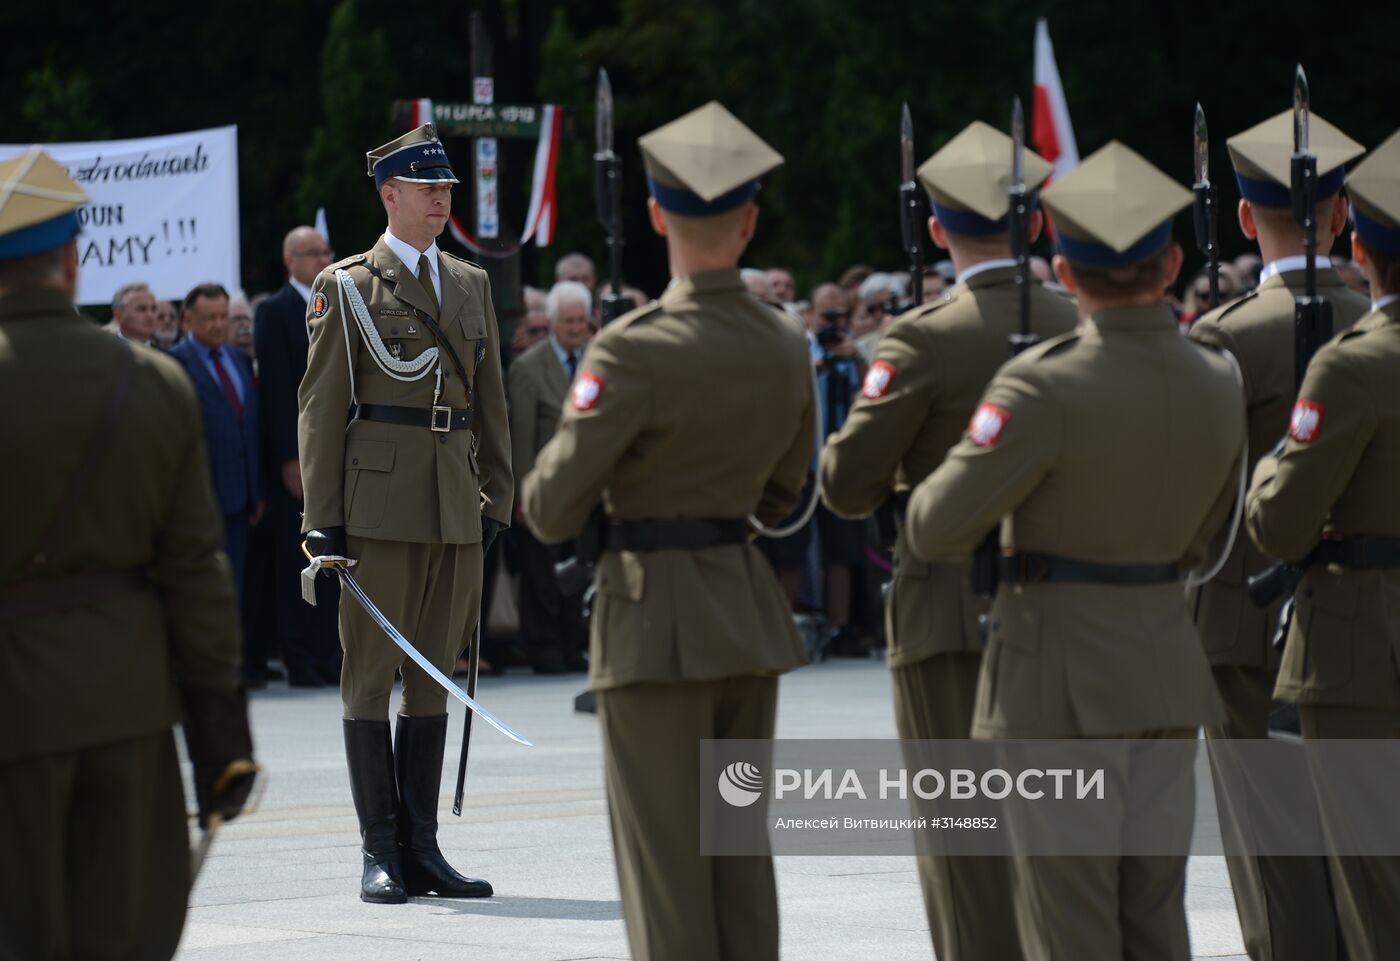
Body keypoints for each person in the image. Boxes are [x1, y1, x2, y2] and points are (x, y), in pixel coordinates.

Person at [904, 141, 1245, 960]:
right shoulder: (1217, 374)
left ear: (1062, 266)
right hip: (1164, 663)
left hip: (1055, 684)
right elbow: (1207, 537)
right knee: (1156, 916)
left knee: (1068, 922)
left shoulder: (1042, 384)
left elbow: (933, 525)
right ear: (1170, 263)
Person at [522, 101, 813, 961]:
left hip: (650, 625)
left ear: (654, 216)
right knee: (736, 851)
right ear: (750, 219)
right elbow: (786, 491)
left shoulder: (632, 348)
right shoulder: (784, 338)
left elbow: (548, 507)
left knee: (667, 870)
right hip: (743, 608)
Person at [821, 119, 1078, 961]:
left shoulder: (924, 336)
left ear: (935, 231)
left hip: (949, 610)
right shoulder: (1083, 322)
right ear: (1035, 223)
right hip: (1072, 605)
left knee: (965, 845)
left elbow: (847, 484)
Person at [0, 148, 255, 961]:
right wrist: (222, 739)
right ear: (74, 259)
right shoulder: (153, 385)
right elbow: (197, 576)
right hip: (128, 711)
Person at [298, 123, 511, 904]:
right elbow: (320, 409)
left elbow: (491, 400)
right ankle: (378, 848)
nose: (441, 199)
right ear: (389, 195)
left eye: (447, 188)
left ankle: (423, 846)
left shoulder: (471, 282)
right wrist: (322, 521)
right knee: (369, 677)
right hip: (377, 505)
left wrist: (500, 492)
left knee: (434, 677)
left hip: (456, 502)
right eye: (428, 188)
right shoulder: (347, 285)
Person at [1187, 109, 1368, 961]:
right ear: (1341, 214)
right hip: (1376, 624)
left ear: (1244, 215)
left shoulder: (1222, 339)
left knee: (1276, 858)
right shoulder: (1382, 328)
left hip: (1244, 623)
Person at [1245, 129, 1400, 961]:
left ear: (1362, 241)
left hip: (1361, 646)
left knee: (1376, 890)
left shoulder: (1352, 365)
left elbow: (1279, 524)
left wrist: (1276, 469)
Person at [254, 225, 342, 688]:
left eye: (326, 251)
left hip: (337, 452)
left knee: (335, 555)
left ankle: (330, 651)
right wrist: (290, 457)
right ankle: (298, 655)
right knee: (298, 560)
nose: (322, 258)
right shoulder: (274, 311)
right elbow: (276, 391)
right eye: (312, 252)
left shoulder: (340, 303)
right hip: (298, 459)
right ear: (290, 261)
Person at [508, 280, 592, 673]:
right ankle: (543, 646)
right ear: (554, 322)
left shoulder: (598, 359)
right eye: (569, 321)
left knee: (580, 567)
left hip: (586, 486)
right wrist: (523, 494)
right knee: (541, 572)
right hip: (544, 483)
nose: (576, 328)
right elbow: (522, 433)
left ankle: (574, 643)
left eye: (582, 321)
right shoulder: (529, 367)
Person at [170, 283, 263, 603]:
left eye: (223, 316)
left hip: (240, 502)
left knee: (234, 588)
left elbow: (248, 430)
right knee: (200, 592)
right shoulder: (173, 364)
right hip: (199, 500)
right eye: (209, 318)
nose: (219, 325)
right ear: (187, 320)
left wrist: (256, 491)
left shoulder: (238, 359)